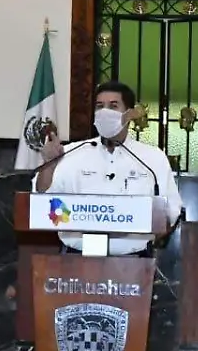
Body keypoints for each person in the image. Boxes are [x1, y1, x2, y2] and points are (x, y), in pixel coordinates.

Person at [33, 80, 183, 255]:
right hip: (78, 258)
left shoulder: (152, 158)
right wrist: (49, 163)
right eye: (99, 106)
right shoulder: (71, 152)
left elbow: (170, 212)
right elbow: (42, 199)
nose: (105, 112)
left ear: (129, 114)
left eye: (113, 106)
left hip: (133, 260)